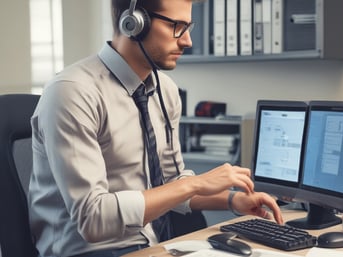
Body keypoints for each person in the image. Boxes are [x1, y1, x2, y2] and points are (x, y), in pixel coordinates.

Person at [28, 0, 283, 257]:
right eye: (177, 26)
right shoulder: (72, 93)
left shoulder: (166, 90)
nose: (187, 41)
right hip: (85, 251)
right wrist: (195, 183)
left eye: (188, 27)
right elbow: (93, 219)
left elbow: (170, 185)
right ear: (134, 23)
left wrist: (232, 200)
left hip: (149, 245)